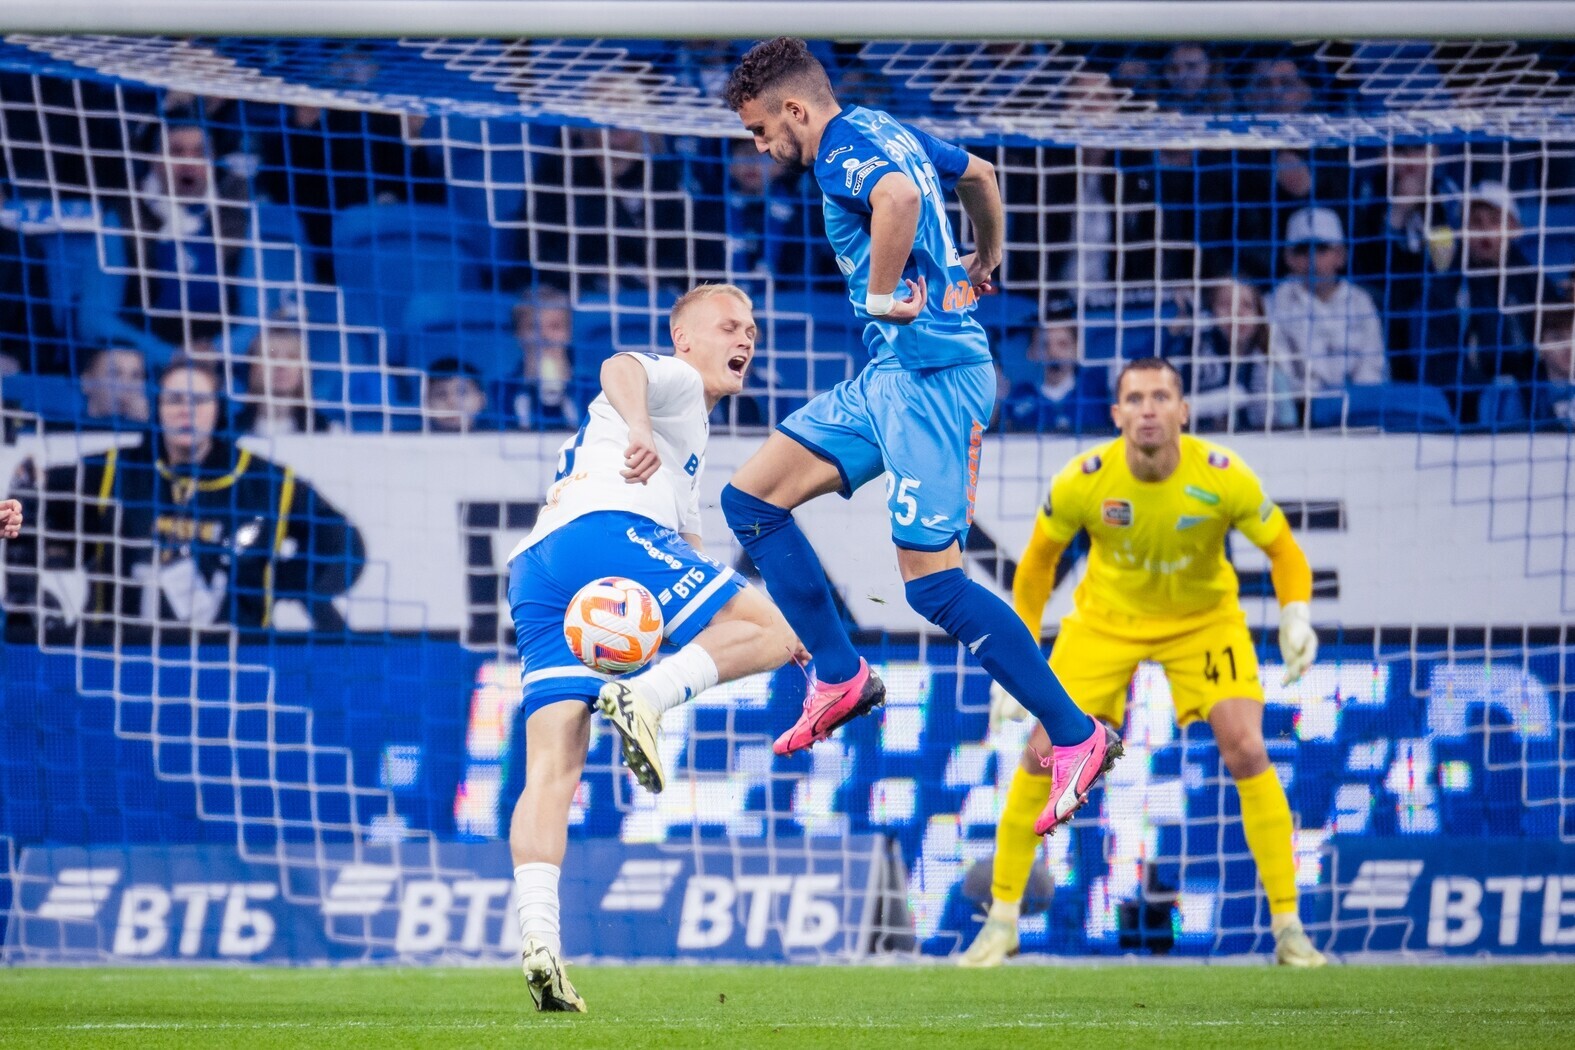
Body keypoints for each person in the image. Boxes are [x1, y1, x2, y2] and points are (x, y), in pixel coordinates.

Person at [721, 38, 1117, 836]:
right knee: (750, 501)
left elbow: (899, 200)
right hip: (890, 377)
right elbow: (980, 175)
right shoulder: (885, 125)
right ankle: (839, 674)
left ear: (794, 109)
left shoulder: (842, 152)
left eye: (761, 129)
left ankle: (1077, 735)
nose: (761, 147)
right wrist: (989, 252)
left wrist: (875, 294)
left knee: (931, 585)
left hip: (935, 381)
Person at [960, 357, 1326, 969]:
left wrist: (1296, 613)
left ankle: (1289, 929)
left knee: (1248, 749)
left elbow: (1285, 553)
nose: (1148, 409)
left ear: (1183, 411)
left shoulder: (1223, 475)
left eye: (1161, 397)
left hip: (1202, 621)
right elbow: (1037, 566)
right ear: (1117, 414)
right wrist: (1017, 653)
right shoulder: (1085, 479)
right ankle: (1002, 921)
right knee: (1041, 753)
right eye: (1135, 399)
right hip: (1105, 623)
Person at [503, 283, 800, 1012]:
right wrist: (637, 425)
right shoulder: (670, 385)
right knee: (777, 629)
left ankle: (540, 941)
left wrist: (740, 637)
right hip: (606, 532)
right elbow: (618, 365)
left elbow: (690, 548)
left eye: (753, 330)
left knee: (552, 766)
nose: (747, 339)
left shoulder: (689, 443)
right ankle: (644, 697)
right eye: (730, 326)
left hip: (541, 563)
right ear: (687, 340)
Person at [7, 357, 363, 636]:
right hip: (120, 656)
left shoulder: (267, 483)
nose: (185, 410)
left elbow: (347, 548)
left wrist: (281, 582)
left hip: (236, 662)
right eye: (174, 399)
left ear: (218, 408)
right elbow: (18, 509)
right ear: (157, 407)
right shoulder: (113, 470)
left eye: (199, 400)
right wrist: (27, 585)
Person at [1267, 206, 1386, 405]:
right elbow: (1281, 374)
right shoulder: (1275, 303)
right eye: (1302, 251)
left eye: (1322, 249)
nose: (1312, 260)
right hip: (1303, 412)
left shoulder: (1360, 301)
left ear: (1341, 255)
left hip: (1361, 408)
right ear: (1288, 257)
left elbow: (1372, 366)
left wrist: (1355, 402)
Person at [999, 315, 1111, 435]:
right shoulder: (1016, 398)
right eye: (1044, 345)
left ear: (1077, 350)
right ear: (1031, 352)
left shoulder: (1098, 392)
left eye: (1063, 344)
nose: (1054, 353)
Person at [79, 346, 150, 428]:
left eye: (136, 376)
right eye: (115, 374)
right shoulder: (65, 434)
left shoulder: (152, 431)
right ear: (86, 382)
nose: (126, 385)